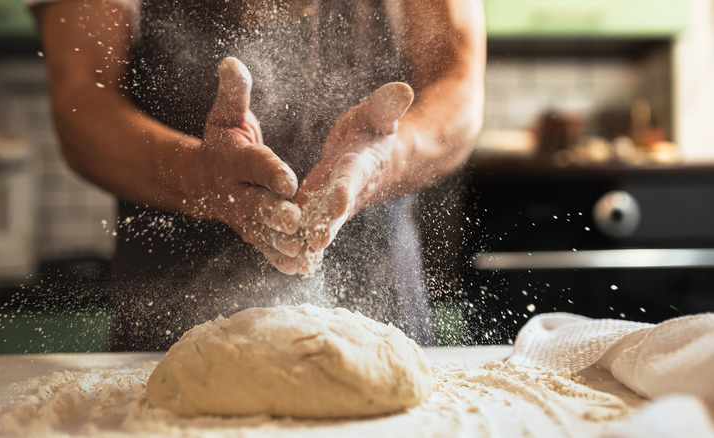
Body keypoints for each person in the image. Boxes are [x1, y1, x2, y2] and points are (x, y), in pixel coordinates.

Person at [29, 0, 485, 350]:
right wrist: (199, 178)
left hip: (379, 299)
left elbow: (458, 88)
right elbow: (81, 106)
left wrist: (384, 159)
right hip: (169, 315)